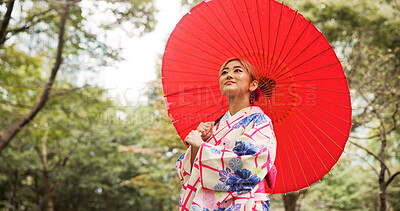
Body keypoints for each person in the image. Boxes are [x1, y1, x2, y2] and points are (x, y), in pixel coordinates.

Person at [176, 58, 277, 211]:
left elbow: (249, 166)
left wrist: (202, 146)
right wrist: (200, 144)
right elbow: (190, 173)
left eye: (237, 70)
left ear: (253, 85)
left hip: (244, 205)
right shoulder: (215, 127)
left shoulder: (260, 121)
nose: (229, 75)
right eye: (224, 72)